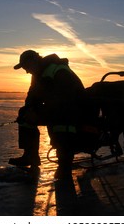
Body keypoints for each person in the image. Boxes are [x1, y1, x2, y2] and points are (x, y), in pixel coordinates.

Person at [8, 50, 85, 179]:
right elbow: (32, 96)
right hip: (56, 109)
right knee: (25, 114)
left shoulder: (59, 70)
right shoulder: (37, 74)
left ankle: (64, 163)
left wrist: (45, 113)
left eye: (26, 67)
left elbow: (65, 99)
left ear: (34, 61)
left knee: (60, 125)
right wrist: (29, 110)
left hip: (74, 110)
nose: (26, 71)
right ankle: (30, 156)